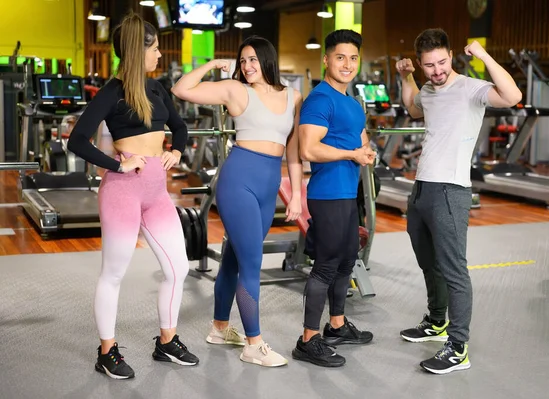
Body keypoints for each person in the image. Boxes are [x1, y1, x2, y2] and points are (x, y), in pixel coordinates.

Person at [67, 13, 199, 379]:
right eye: (155, 48)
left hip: (157, 192)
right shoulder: (112, 92)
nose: (160, 54)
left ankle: (166, 341)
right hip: (123, 192)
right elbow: (78, 140)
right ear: (136, 50)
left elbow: (181, 125)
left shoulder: (157, 89)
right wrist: (116, 164)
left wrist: (177, 149)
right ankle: (106, 351)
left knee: (179, 268)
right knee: (113, 274)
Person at [171, 36, 304, 367]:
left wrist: (297, 193)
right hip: (238, 181)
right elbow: (181, 89)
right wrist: (211, 66)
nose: (247, 66)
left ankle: (219, 328)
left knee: (234, 258)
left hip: (269, 183)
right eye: (243, 60)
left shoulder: (293, 96)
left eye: (253, 59)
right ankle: (253, 343)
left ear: (267, 60)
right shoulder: (234, 90)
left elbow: (293, 150)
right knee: (252, 264)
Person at [396, 28, 522, 374]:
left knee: (453, 270)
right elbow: (413, 107)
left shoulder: (471, 88)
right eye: (428, 65)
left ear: (451, 55)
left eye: (442, 62)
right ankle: (436, 321)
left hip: (451, 190)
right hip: (421, 187)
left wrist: (482, 56)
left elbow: (512, 95)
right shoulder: (426, 88)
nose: (436, 71)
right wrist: (405, 76)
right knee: (427, 261)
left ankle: (457, 346)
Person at [291, 29, 376, 368]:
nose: (347, 64)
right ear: (326, 59)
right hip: (327, 194)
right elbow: (309, 148)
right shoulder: (320, 98)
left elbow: (360, 140)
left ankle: (336, 326)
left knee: (345, 261)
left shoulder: (352, 103)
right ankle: (308, 340)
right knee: (326, 265)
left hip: (347, 191)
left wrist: (365, 152)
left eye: (353, 58)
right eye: (340, 57)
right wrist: (352, 154)